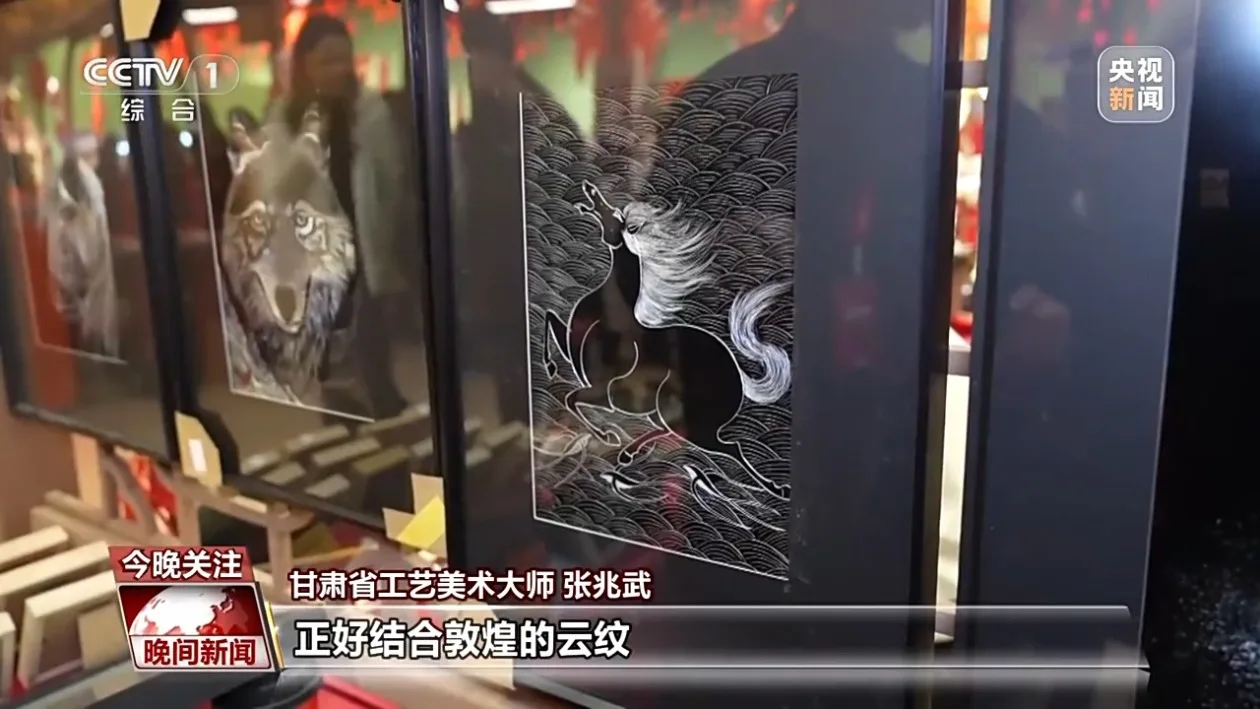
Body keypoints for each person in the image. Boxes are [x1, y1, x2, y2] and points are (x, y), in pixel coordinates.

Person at [276, 14, 409, 420]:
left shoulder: (369, 111)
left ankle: (385, 435)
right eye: (326, 61)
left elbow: (391, 182)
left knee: (374, 362)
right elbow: (279, 194)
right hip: (317, 265)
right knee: (334, 375)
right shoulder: (285, 118)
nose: (338, 70)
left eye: (343, 60)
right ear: (305, 65)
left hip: (365, 257)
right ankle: (345, 433)